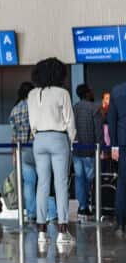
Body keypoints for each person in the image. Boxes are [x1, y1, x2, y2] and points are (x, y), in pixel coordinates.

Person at [28, 58, 74, 248]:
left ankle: (41, 231)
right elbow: (70, 121)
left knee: (42, 184)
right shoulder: (62, 93)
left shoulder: (32, 94)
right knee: (61, 183)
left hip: (39, 140)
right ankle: (62, 231)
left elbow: (32, 122)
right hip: (58, 138)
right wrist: (70, 142)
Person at [9, 81, 41, 223]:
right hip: (39, 149)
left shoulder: (15, 110)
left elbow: (14, 135)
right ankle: (47, 213)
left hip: (22, 150)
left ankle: (31, 214)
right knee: (43, 182)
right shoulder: (38, 108)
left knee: (28, 184)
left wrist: (14, 154)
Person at [71, 83, 102, 218]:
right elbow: (98, 131)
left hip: (77, 150)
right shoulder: (95, 108)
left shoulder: (74, 108)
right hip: (90, 150)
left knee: (79, 178)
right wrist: (100, 147)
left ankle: (82, 207)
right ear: (87, 93)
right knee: (90, 179)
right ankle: (89, 204)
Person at [107, 81, 126, 234]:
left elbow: (111, 120)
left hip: (123, 142)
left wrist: (114, 145)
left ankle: (120, 223)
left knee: (122, 182)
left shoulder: (117, 90)